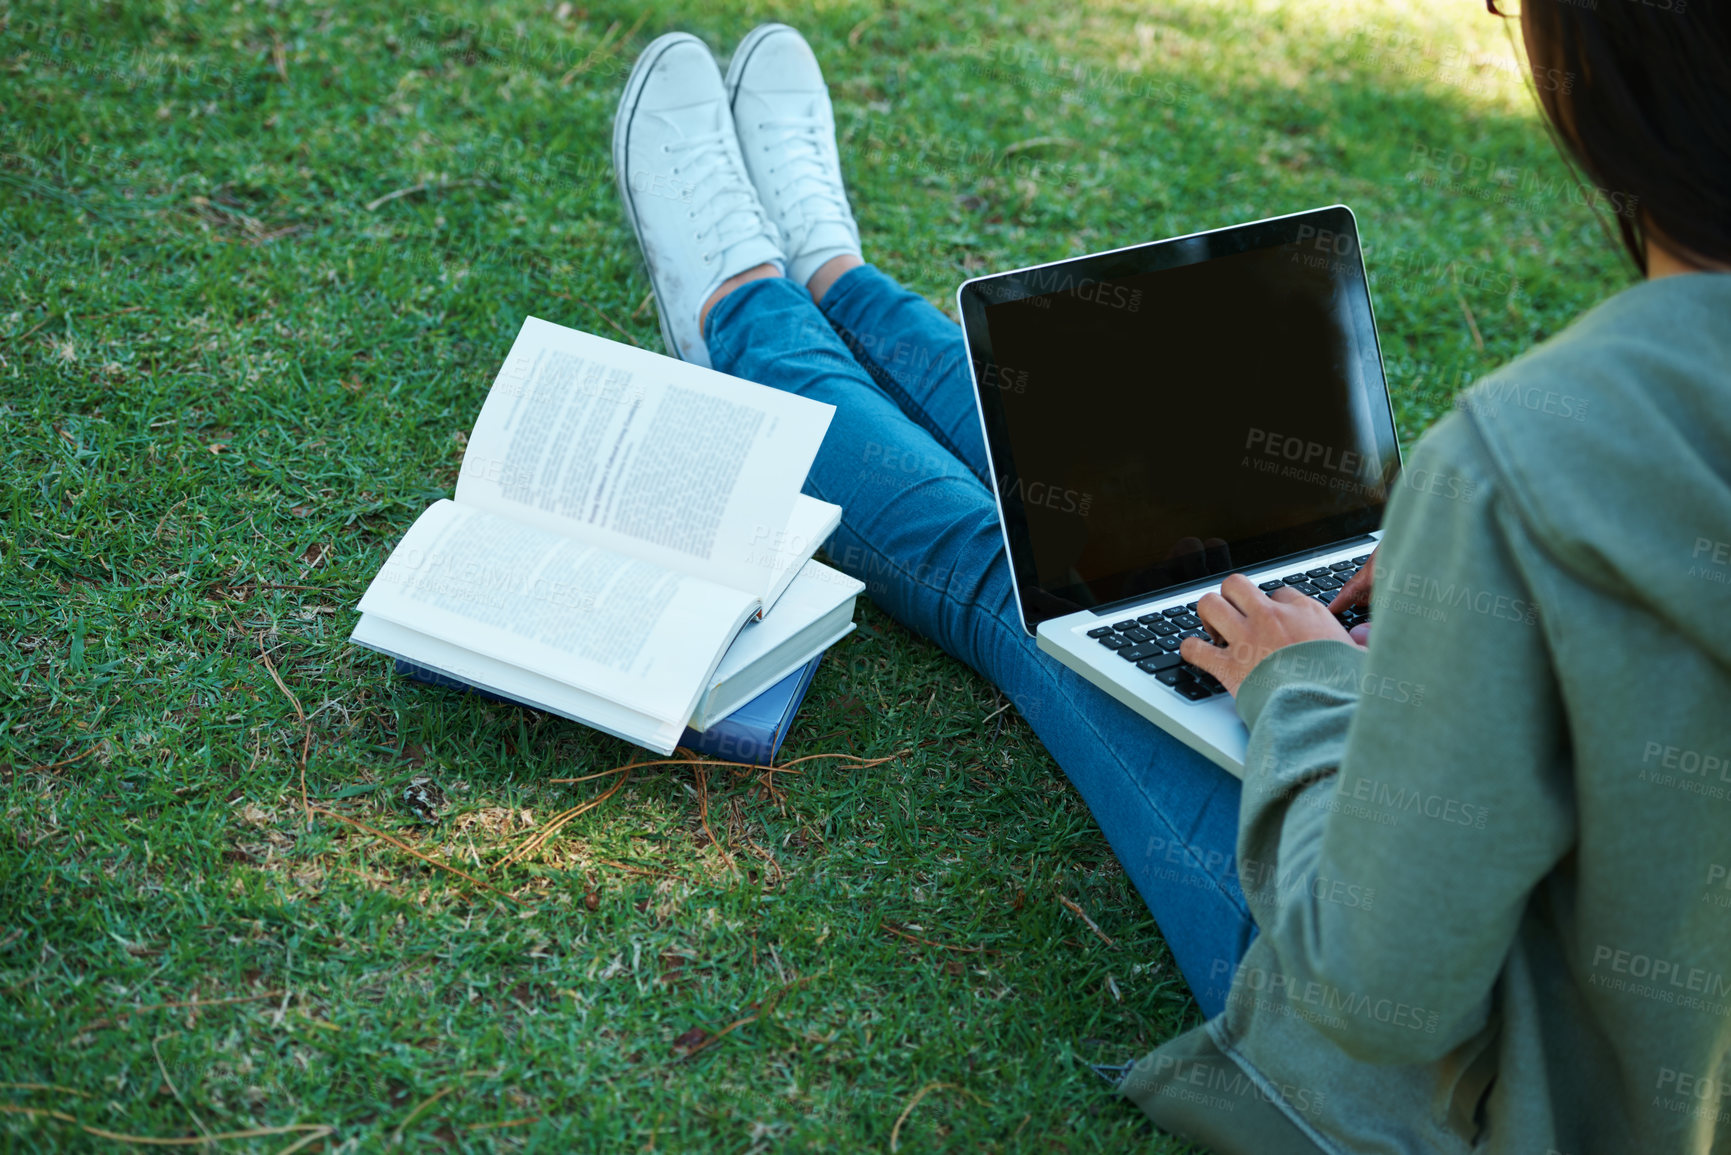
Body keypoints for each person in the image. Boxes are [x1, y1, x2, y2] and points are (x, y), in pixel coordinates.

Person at [608, 10, 1729, 1153]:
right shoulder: (1554, 477)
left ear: (1608, 80)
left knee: (1033, 586)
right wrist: (1485, 589)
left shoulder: (1528, 463)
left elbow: (1377, 983)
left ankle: (741, 313)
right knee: (1109, 509)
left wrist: (1305, 688)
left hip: (1431, 1104)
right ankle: (834, 274)